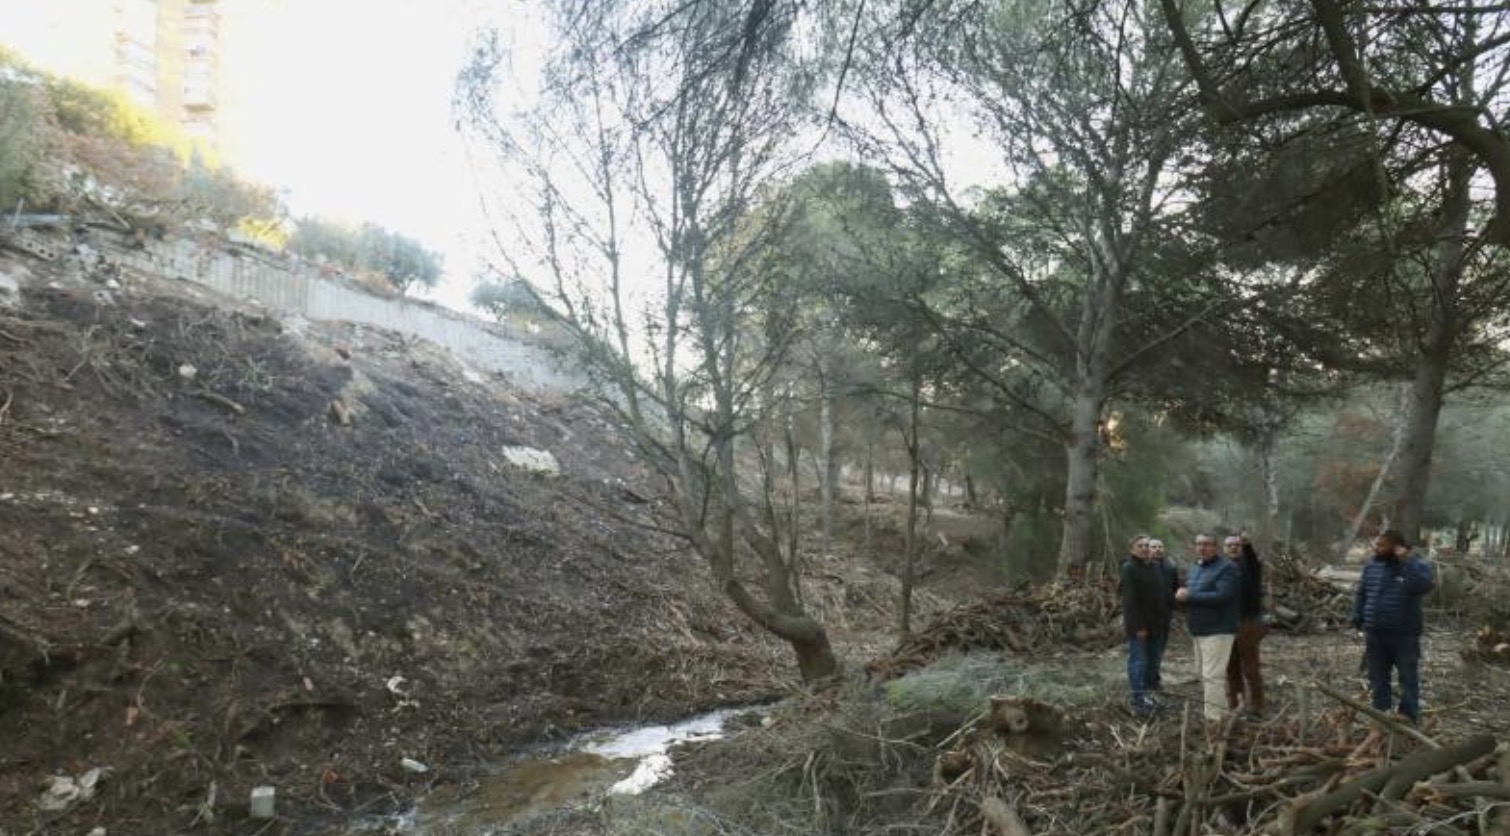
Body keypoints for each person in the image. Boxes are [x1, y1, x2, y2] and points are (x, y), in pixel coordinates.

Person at [1353, 529, 1434, 724]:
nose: (1377, 548)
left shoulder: (1417, 566)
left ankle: (1408, 717)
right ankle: (1381, 715)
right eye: (1377, 544)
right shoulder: (1372, 566)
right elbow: (1362, 592)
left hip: (1404, 634)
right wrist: (1358, 616)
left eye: (1383, 545)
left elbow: (1422, 586)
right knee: (1378, 677)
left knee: (1407, 677)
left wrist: (1406, 562)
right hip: (1375, 633)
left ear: (1397, 547)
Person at [1176, 533, 1240, 723]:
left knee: (1212, 676)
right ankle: (1221, 714)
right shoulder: (1196, 567)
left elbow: (1223, 596)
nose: (1202, 548)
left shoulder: (1227, 568)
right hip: (1199, 629)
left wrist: (1190, 596)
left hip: (1219, 629)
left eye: (1207, 544)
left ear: (1216, 547)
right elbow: (1194, 594)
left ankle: (1213, 719)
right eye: (1198, 544)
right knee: (1204, 675)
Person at [1119, 534, 1169, 715]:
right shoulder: (1129, 568)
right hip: (1139, 626)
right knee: (1138, 661)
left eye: (1147, 545)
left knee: (1153, 661)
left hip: (1157, 625)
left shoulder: (1155, 567)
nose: (1145, 548)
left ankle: (1148, 694)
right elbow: (1130, 602)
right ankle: (1137, 697)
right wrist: (1138, 627)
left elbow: (1160, 596)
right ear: (1132, 549)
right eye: (1140, 546)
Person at [1224, 533, 1266, 718]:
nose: (1233, 548)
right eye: (1230, 545)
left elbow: (1254, 561)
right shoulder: (1222, 567)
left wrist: (1247, 545)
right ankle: (1236, 704)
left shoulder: (1250, 567)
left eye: (1237, 545)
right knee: (1231, 668)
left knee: (1250, 668)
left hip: (1247, 622)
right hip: (1225, 624)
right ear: (1224, 548)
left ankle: (1257, 706)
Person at [1148, 539, 1178, 694]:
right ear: (1149, 549)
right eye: (1154, 547)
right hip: (1146, 616)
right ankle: (1145, 680)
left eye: (1160, 547)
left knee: (1160, 648)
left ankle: (1155, 679)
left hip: (1165, 615)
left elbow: (1175, 588)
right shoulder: (1143, 567)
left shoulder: (1170, 567)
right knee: (1146, 649)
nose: (1157, 550)